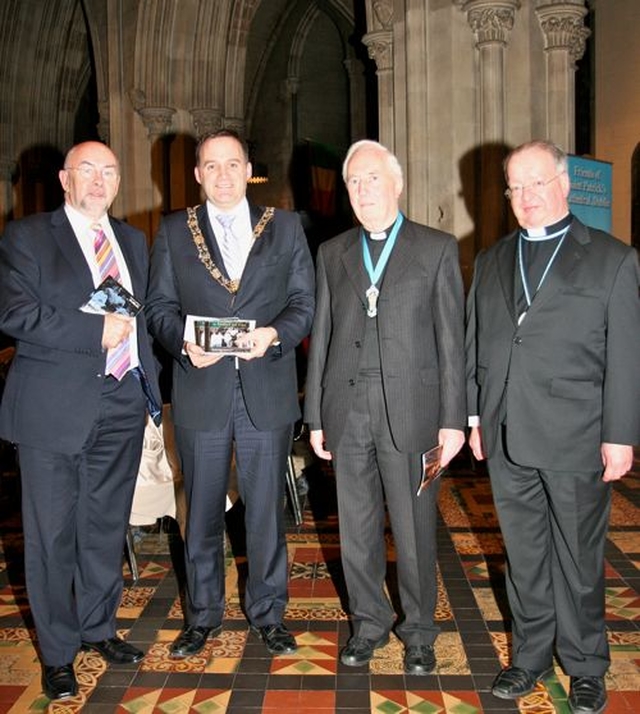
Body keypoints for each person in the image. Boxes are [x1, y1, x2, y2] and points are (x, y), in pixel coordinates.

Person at [465, 140, 640, 714]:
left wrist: (621, 434)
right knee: (525, 555)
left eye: (537, 183)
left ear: (564, 186)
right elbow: (478, 346)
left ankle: (587, 664)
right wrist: (474, 416)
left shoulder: (612, 259)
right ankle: (531, 655)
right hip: (508, 431)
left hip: (576, 435)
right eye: (516, 187)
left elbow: (626, 356)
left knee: (578, 560)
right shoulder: (491, 259)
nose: (527, 197)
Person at [0, 141, 162, 701]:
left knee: (103, 526)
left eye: (109, 171)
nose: (98, 180)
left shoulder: (134, 240)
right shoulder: (28, 236)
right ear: (65, 179)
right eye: (86, 170)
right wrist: (93, 332)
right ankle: (58, 652)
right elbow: (15, 313)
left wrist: (152, 392)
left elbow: (141, 320)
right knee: (51, 536)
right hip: (52, 409)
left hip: (121, 402)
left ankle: (98, 626)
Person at [146, 129, 315, 659]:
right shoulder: (175, 230)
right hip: (202, 390)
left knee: (265, 510)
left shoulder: (284, 227)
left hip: (266, 387)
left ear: (249, 170)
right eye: (211, 166)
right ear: (198, 175)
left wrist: (276, 335)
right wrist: (183, 345)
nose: (222, 175)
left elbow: (304, 301)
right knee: (201, 514)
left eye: (232, 164)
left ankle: (268, 613)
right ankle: (203, 616)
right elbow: (158, 309)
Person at [304, 140, 466, 675]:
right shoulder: (333, 253)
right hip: (347, 410)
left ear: (397, 184)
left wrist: (453, 419)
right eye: (354, 181)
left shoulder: (437, 249)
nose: (363, 190)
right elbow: (322, 337)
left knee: (417, 527)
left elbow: (451, 342)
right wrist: (316, 417)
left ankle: (419, 632)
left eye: (373, 179)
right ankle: (368, 624)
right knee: (355, 526)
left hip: (415, 413)